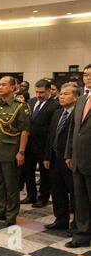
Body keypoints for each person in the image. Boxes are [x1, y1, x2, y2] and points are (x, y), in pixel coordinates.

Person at [0, 76, 31, 226]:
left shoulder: (20, 106)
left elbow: (25, 131)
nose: (0, 87)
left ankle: (11, 214)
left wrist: (21, 151)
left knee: (11, 185)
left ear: (13, 87)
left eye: (4, 85)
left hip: (11, 151)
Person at [44, 83, 79, 232]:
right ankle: (61, 219)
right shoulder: (58, 113)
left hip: (70, 160)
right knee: (57, 191)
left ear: (76, 97)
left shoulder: (79, 114)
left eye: (66, 94)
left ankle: (77, 224)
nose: (61, 96)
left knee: (75, 194)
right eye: (61, 94)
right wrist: (46, 157)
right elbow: (50, 136)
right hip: (54, 158)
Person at [20, 79, 60, 208]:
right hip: (29, 144)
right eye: (37, 92)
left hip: (44, 146)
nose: (38, 95)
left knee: (44, 174)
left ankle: (43, 198)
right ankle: (31, 195)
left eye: (42, 92)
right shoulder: (31, 102)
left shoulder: (55, 105)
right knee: (28, 171)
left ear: (49, 91)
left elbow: (53, 128)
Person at [65, 64, 91, 248]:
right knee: (80, 200)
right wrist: (69, 153)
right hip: (78, 159)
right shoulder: (81, 100)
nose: (88, 77)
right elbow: (73, 130)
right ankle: (82, 234)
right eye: (86, 74)